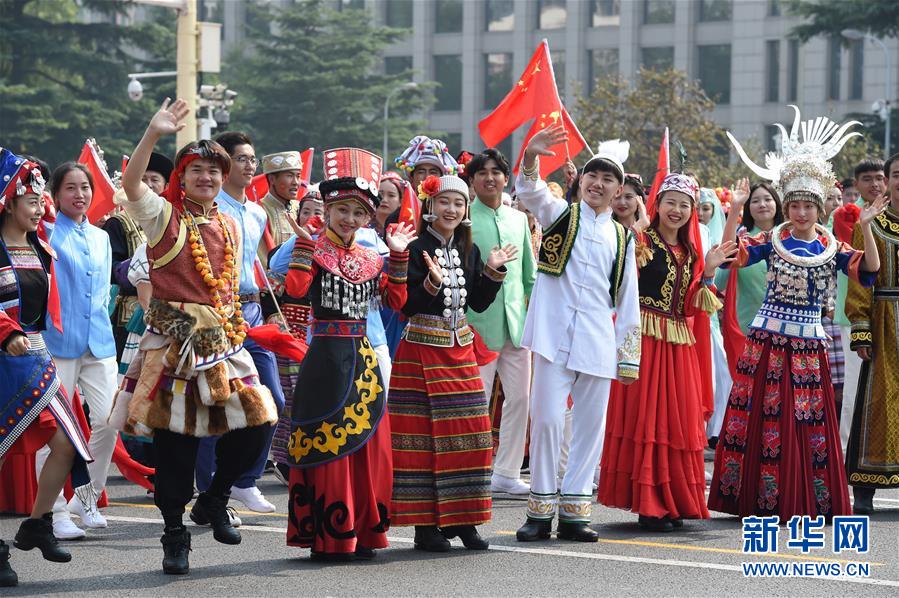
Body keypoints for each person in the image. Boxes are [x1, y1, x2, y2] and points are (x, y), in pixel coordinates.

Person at [119, 99, 278, 575]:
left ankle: (215, 498)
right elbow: (129, 184)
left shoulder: (229, 222)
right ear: (181, 178)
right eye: (196, 171)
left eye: (214, 170)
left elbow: (226, 284)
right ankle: (174, 535)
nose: (206, 178)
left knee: (260, 420)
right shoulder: (163, 216)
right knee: (177, 446)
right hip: (175, 347)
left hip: (225, 344)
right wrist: (153, 133)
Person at [709, 109, 884, 520]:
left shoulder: (831, 245)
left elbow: (870, 270)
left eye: (809, 206)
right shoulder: (772, 239)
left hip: (809, 343)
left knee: (806, 421)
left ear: (819, 207)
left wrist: (869, 227)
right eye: (795, 206)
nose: (802, 213)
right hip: (766, 340)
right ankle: (756, 497)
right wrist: (735, 211)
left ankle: (805, 498)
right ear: (787, 206)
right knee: (762, 417)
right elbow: (731, 257)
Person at [282, 147, 414, 561]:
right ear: (329, 208)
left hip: (363, 358)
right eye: (343, 210)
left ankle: (363, 530)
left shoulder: (371, 257)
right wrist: (304, 247)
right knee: (327, 443)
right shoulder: (312, 249)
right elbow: (297, 291)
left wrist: (397, 254)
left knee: (367, 445)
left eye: (360, 213)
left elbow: (395, 302)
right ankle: (331, 536)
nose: (351, 220)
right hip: (324, 358)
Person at [512, 126, 641, 543]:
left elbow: (628, 299)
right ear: (581, 180)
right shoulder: (560, 214)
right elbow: (531, 193)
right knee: (547, 419)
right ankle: (539, 511)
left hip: (596, 343)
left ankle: (574, 513)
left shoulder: (623, 238)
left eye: (608, 180)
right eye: (592, 176)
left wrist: (628, 356)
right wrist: (531, 156)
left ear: (619, 190)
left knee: (590, 428)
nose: (598, 184)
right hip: (552, 336)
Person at [598, 173, 736, 532]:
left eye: (684, 205)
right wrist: (635, 233)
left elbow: (692, 306)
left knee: (678, 422)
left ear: (693, 212)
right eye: (670, 202)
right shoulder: (640, 240)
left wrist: (708, 272)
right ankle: (650, 505)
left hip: (678, 344)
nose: (677, 210)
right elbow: (619, 279)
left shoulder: (690, 252)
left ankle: (672, 501)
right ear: (657, 204)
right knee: (649, 421)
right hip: (644, 338)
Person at [389, 173, 514, 552]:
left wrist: (492, 271)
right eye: (445, 202)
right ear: (430, 206)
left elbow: (476, 303)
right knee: (422, 441)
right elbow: (406, 306)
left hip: (459, 350)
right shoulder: (414, 247)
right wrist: (431, 284)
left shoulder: (467, 248)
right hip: (421, 351)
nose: (452, 209)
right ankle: (426, 527)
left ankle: (464, 520)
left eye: (459, 203)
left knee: (471, 435)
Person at [0, 149, 93, 587]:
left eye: (41, 202)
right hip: (3, 359)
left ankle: (37, 524)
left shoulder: (41, 248)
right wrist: (6, 334)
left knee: (67, 443)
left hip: (36, 359)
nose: (40, 210)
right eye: (31, 202)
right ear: (8, 202)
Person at [192, 131, 284, 515]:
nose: (250, 166)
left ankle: (244, 482)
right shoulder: (213, 210)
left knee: (273, 401)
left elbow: (254, 265)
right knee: (216, 407)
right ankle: (208, 490)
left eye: (252, 159)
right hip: (218, 317)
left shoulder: (258, 211)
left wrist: (270, 300)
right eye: (242, 159)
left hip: (253, 316)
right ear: (225, 165)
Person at [38, 162, 118, 536]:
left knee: (109, 420)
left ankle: (86, 499)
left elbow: (102, 292)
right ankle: (53, 513)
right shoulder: (46, 234)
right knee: (52, 430)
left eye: (84, 187)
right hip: (57, 342)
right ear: (55, 195)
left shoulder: (102, 237)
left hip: (99, 341)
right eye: (70, 188)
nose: (79, 194)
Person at [465, 148, 537, 496]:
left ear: (506, 179)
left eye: (496, 171)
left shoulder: (518, 220)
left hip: (517, 326)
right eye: (482, 172)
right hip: (477, 325)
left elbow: (529, 277)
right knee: (477, 402)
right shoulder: (463, 221)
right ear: (472, 180)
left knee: (520, 399)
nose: (490, 177)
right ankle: (474, 469)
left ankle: (506, 471)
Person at [845, 152, 899, 514]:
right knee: (878, 402)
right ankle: (866, 486)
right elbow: (861, 279)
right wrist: (862, 328)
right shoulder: (871, 222)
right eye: (897, 175)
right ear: (889, 180)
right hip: (884, 320)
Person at [103, 152, 171, 361]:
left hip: (170, 313)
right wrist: (138, 268)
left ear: (166, 185)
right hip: (130, 314)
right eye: (143, 180)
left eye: (154, 180)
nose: (149, 185)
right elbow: (109, 268)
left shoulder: (174, 221)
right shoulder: (119, 223)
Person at [715, 181, 784, 334]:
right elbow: (719, 283)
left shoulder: (790, 237)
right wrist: (734, 209)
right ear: (747, 208)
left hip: (788, 327)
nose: (762, 204)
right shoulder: (741, 241)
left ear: (777, 203)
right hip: (748, 329)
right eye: (755, 201)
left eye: (767, 199)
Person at [258, 150, 304, 268]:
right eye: (289, 176)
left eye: (298, 176)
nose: (296, 182)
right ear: (272, 179)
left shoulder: (301, 208)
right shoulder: (258, 211)